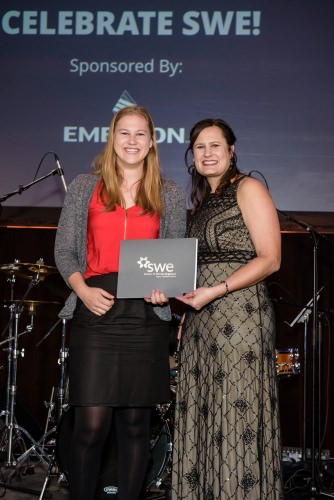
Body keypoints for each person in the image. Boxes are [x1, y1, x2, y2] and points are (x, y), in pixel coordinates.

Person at [54, 105, 186, 500]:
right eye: (124, 133)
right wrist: (82, 290)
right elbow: (65, 250)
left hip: (146, 316)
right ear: (112, 138)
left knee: (134, 427)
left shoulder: (169, 192)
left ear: (151, 142)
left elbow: (173, 256)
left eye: (140, 134)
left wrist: (166, 286)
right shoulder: (84, 186)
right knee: (90, 426)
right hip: (95, 310)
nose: (132, 141)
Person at [171, 118, 283, 499]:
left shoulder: (248, 187)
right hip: (203, 320)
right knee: (205, 417)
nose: (207, 153)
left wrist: (215, 290)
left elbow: (270, 259)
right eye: (199, 147)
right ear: (192, 156)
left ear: (231, 150)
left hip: (241, 317)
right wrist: (188, 313)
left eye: (215, 145)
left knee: (236, 421)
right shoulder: (203, 201)